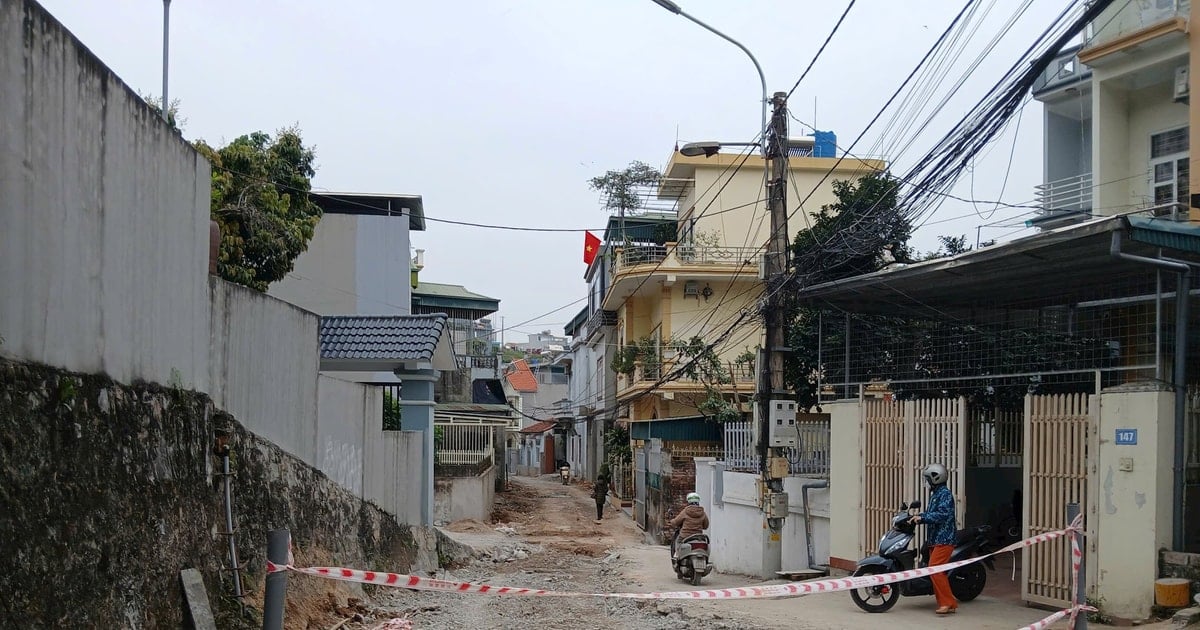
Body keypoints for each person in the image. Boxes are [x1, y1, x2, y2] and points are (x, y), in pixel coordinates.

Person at [910, 462, 958, 615]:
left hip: (944, 538)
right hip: (935, 538)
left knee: (935, 570)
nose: (927, 482)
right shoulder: (936, 494)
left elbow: (943, 515)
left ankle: (948, 603)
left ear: (936, 478)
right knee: (935, 571)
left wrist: (923, 519)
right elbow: (932, 513)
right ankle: (946, 602)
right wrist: (919, 516)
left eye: (928, 479)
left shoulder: (945, 494)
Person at [668, 492, 709, 558]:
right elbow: (706, 526)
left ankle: (677, 556)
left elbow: (676, 522)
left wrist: (672, 521)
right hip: (698, 536)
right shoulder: (702, 512)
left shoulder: (685, 511)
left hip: (685, 536)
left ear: (688, 501)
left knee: (678, 541)